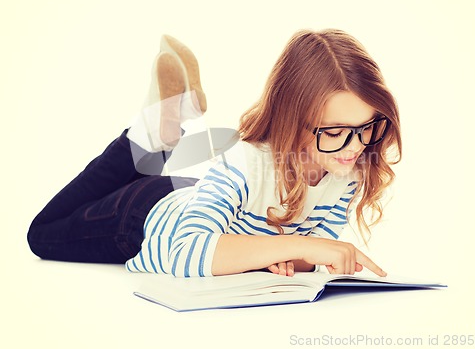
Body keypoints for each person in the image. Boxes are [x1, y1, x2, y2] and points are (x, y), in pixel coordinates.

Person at [27, 29, 402, 278]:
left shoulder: (346, 170)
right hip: (143, 218)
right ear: (291, 121)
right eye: (335, 132)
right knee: (42, 233)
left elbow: (310, 256)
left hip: (199, 196)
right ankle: (150, 131)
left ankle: (160, 129)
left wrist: (289, 255)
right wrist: (294, 247)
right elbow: (186, 251)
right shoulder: (245, 163)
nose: (356, 147)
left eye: (367, 127)